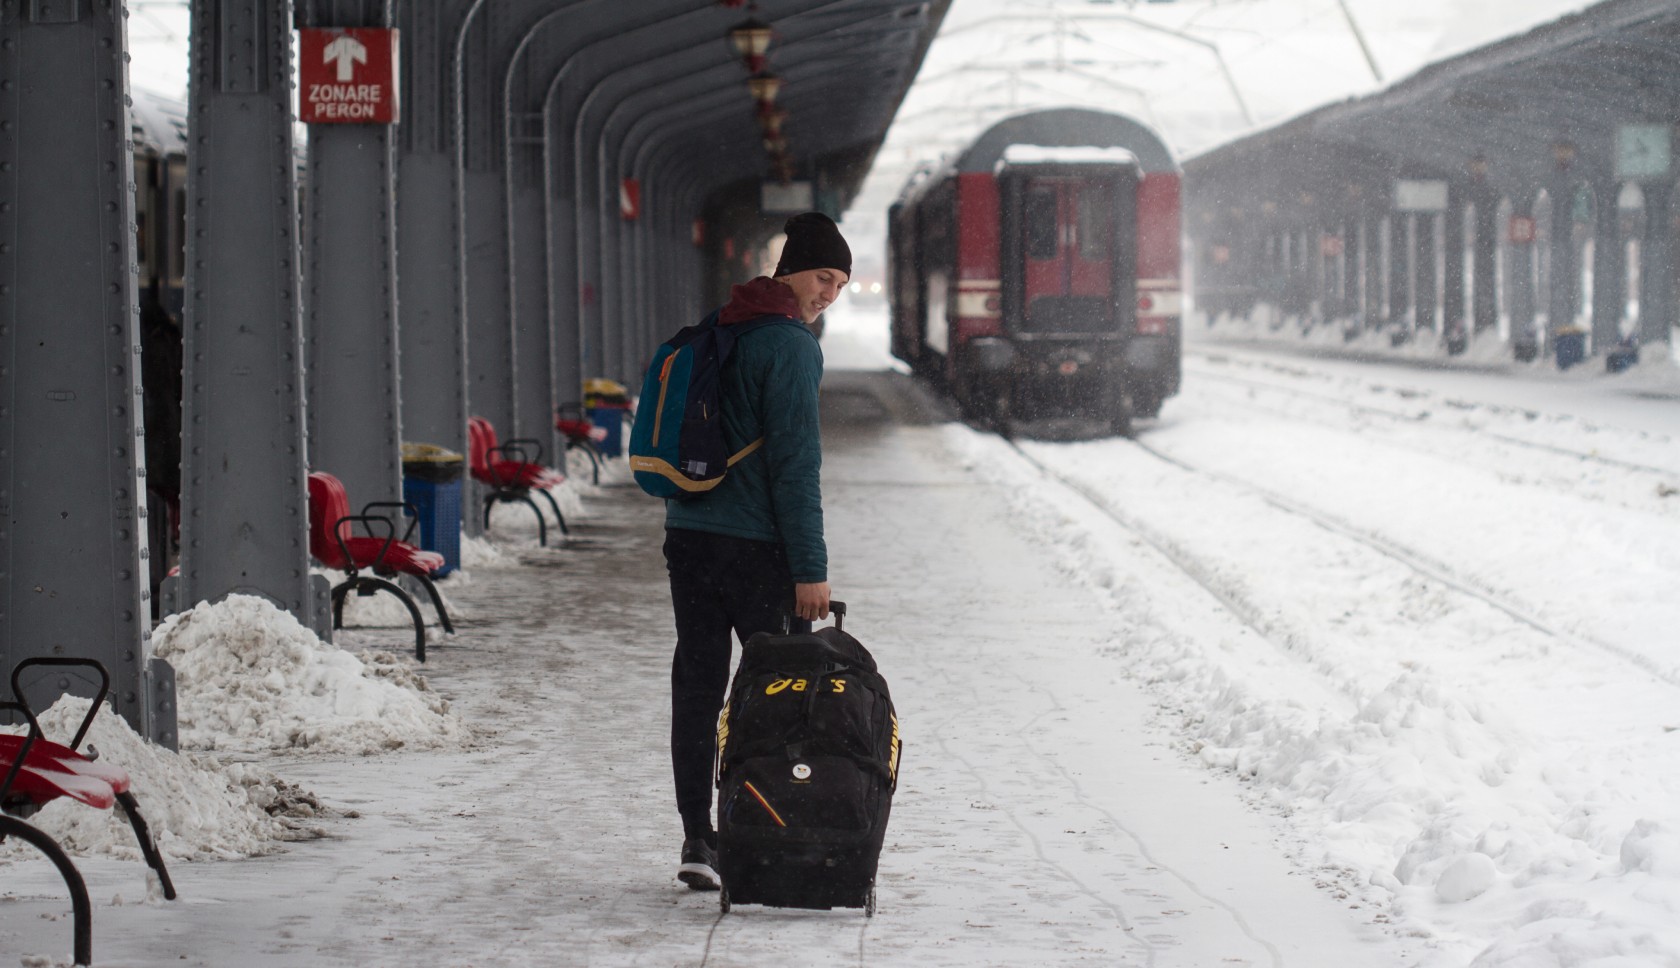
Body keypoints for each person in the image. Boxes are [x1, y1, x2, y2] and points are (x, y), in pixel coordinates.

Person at [663, 212, 849, 891]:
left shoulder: (721, 325)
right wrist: (811, 570)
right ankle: (763, 830)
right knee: (777, 696)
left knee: (698, 686)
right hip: (757, 552)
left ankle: (697, 837)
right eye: (822, 277)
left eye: (840, 285)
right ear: (789, 271)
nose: (829, 293)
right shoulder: (793, 347)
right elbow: (795, 469)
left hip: (689, 539)